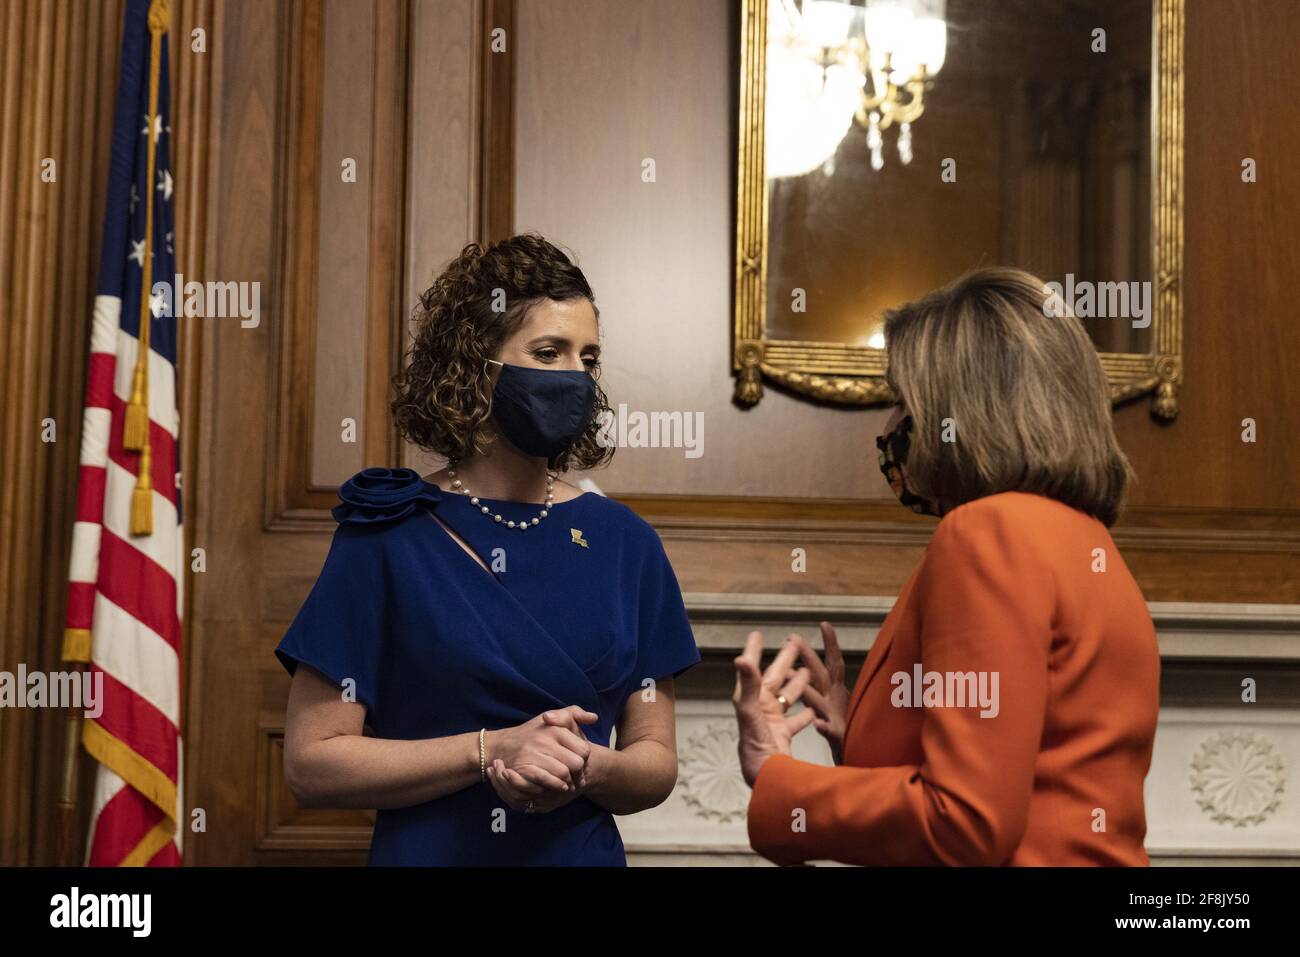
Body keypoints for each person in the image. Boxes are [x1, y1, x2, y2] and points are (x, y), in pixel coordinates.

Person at [275, 233, 700, 865]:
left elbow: (655, 763)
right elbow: (311, 764)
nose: (574, 377)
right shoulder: (387, 535)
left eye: (588, 358)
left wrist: (582, 766)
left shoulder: (625, 543)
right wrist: (490, 751)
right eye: (548, 352)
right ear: (475, 366)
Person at [734, 267, 1160, 866]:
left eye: (904, 403)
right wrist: (867, 732)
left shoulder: (986, 532)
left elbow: (966, 822)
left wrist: (776, 776)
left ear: (961, 412)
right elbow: (1028, 775)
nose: (892, 430)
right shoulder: (1089, 544)